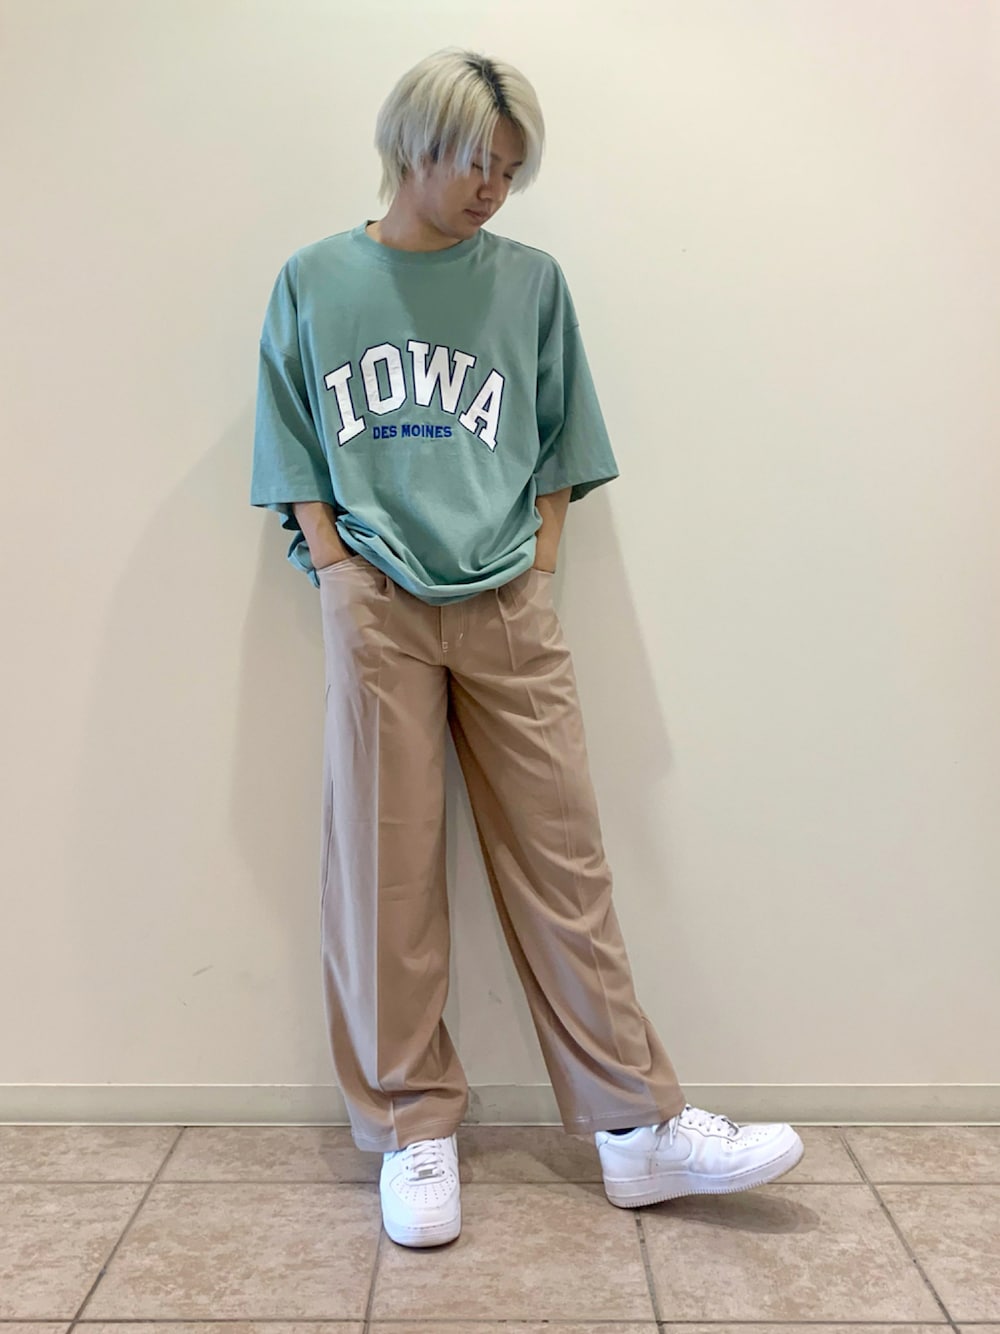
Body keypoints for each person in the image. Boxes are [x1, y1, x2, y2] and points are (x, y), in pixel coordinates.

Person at [250, 47, 804, 1249]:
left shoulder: (531, 283)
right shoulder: (314, 280)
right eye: (476, 162)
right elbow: (288, 440)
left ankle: (634, 1127)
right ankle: (413, 1127)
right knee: (385, 870)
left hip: (505, 594)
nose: (493, 187)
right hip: (377, 599)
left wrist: (541, 564)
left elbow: (559, 439)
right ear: (412, 146)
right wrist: (335, 568)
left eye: (510, 168)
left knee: (565, 858)